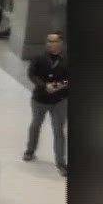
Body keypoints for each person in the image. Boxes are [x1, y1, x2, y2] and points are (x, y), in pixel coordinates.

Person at [24, 31, 66, 174]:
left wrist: (61, 85)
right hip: (40, 99)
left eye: (54, 41)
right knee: (35, 125)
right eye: (49, 41)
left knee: (58, 130)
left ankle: (60, 162)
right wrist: (44, 86)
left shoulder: (66, 60)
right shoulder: (39, 58)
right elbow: (32, 74)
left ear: (60, 43)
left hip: (59, 100)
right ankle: (30, 150)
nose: (50, 44)